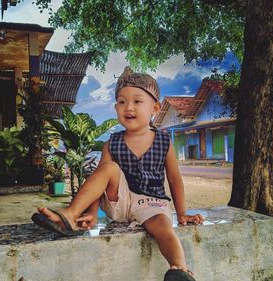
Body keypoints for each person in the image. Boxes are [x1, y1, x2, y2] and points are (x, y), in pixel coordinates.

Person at [32, 66, 204, 281]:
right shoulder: (112, 143)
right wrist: (93, 213)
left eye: (137, 101)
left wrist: (181, 213)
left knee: (163, 225)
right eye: (122, 102)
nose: (128, 107)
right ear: (115, 107)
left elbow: (174, 179)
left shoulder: (163, 141)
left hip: (152, 203)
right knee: (109, 168)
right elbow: (100, 181)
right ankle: (70, 214)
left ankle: (178, 269)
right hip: (119, 201)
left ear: (155, 108)